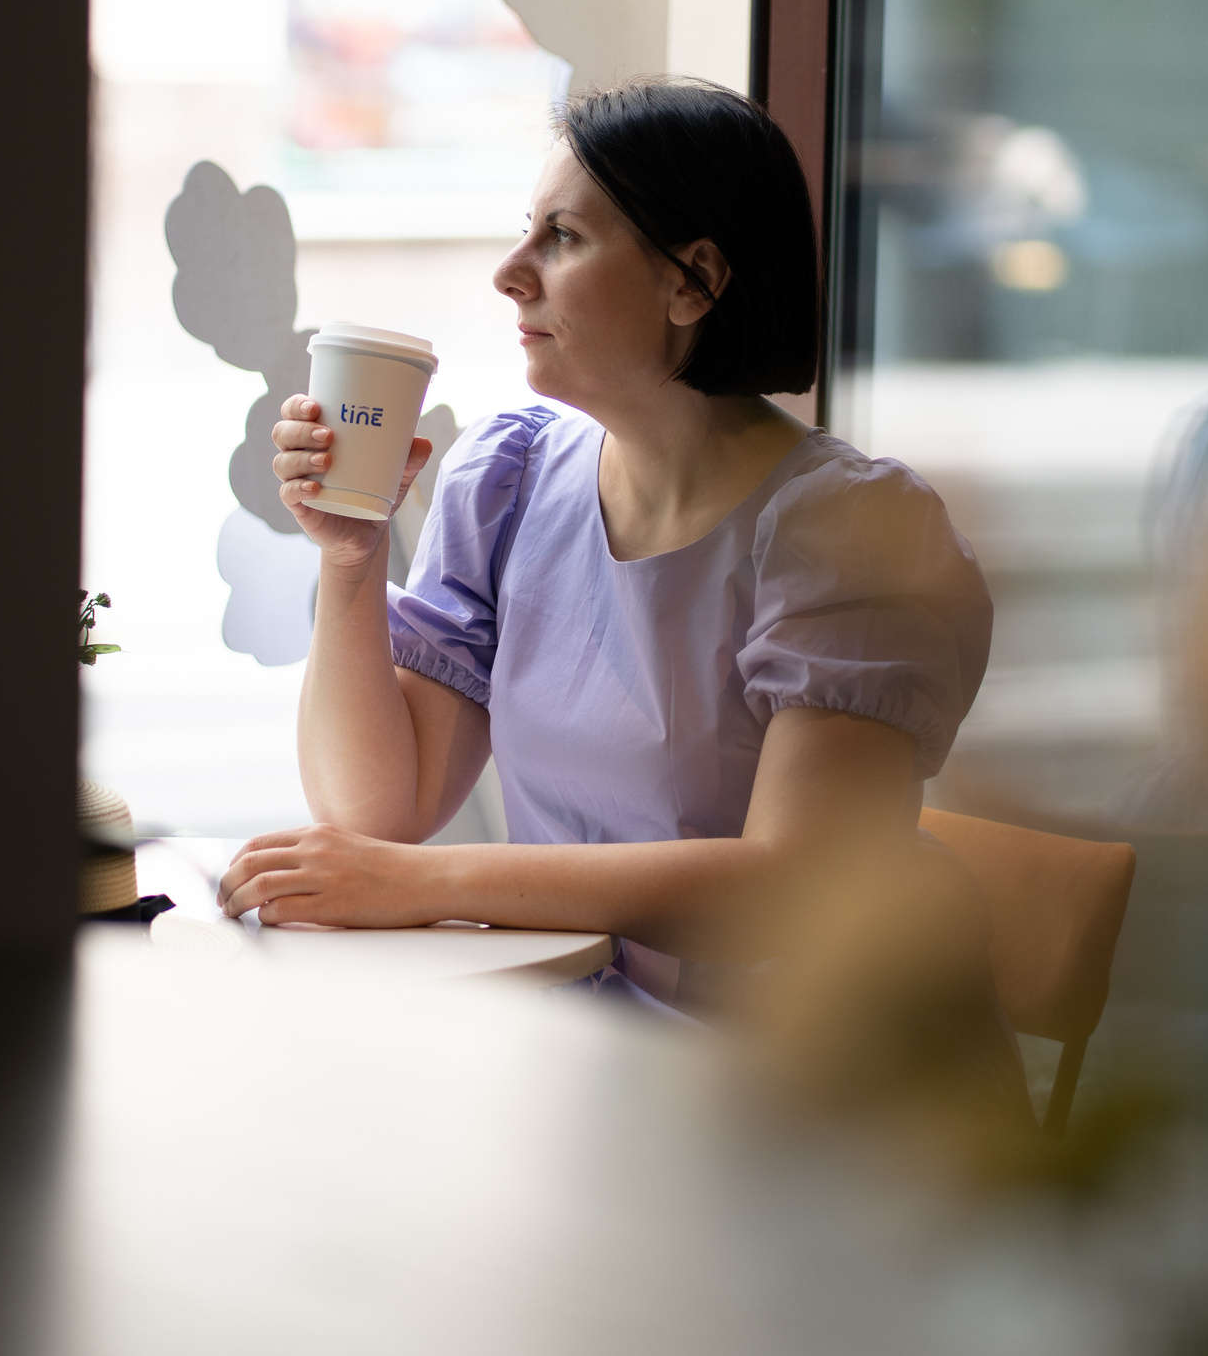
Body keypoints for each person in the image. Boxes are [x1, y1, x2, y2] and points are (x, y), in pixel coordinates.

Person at [219, 78, 993, 1014]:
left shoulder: (846, 534)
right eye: (525, 230)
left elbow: (794, 887)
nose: (510, 271)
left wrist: (426, 883)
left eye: (564, 237)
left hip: (791, 1090)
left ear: (693, 282)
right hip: (577, 1044)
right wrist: (351, 555)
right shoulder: (509, 479)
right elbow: (381, 812)